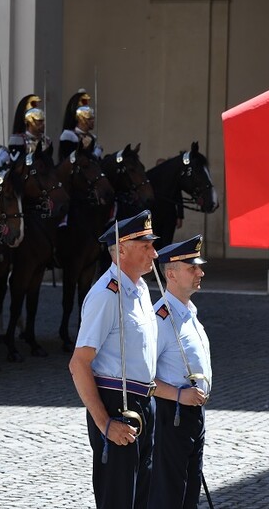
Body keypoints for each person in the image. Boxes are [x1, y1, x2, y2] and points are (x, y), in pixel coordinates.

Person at [69, 210, 160, 509]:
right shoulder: (106, 295)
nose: (154, 253)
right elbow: (79, 363)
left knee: (142, 498)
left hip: (144, 403)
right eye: (146, 246)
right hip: (117, 403)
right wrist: (105, 424)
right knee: (118, 499)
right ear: (121, 249)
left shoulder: (141, 290)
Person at [150, 234, 212, 509]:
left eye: (199, 267)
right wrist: (178, 394)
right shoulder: (160, 319)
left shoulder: (189, 313)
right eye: (192, 268)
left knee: (189, 494)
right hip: (170, 414)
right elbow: (140, 378)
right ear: (171, 274)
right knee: (169, 496)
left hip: (193, 414)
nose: (200, 272)